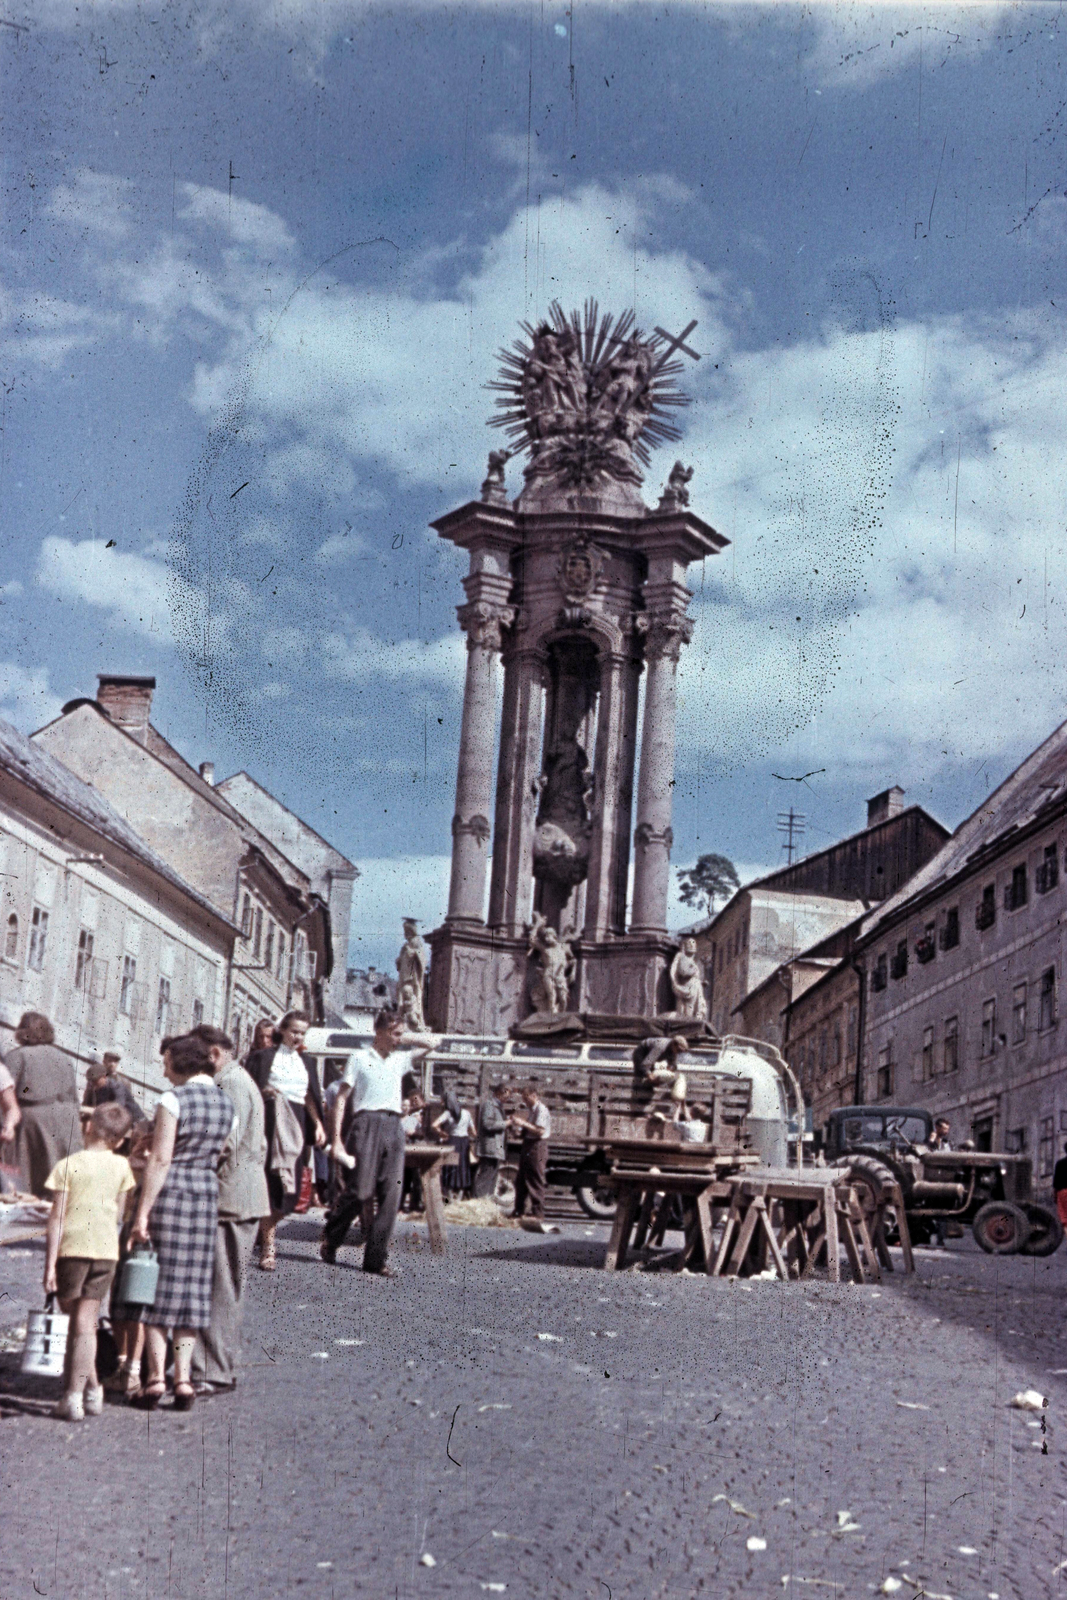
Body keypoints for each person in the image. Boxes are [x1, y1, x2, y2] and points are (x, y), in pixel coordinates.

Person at [128, 1033, 237, 1411]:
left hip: (172, 1192)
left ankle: (157, 1378)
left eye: (166, 1061)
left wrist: (141, 1213)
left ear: (182, 1062)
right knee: (191, 1289)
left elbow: (160, 1160)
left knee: (159, 1286)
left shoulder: (173, 1099)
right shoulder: (227, 1104)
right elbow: (222, 1150)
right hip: (205, 1194)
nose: (163, 1068)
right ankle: (185, 1380)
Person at [320, 1007, 436, 1274]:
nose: (398, 1039)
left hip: (394, 1125)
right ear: (379, 1031)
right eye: (394, 1033)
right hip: (366, 1123)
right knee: (360, 1190)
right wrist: (336, 1139)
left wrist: (402, 1037)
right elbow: (341, 1099)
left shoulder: (400, 1059)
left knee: (391, 1195)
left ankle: (375, 1259)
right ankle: (332, 1235)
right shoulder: (359, 1058)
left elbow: (432, 1043)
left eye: (401, 1034)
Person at [189, 1025, 270, 1397]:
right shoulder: (241, 1080)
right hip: (242, 1194)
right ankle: (221, 1364)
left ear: (214, 1055)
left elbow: (226, 1141)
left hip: (232, 1196)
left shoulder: (231, 1084)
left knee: (220, 1285)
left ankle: (212, 1370)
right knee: (227, 1284)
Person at [42, 1101, 136, 1421]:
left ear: (87, 1127)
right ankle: (92, 1389)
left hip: (72, 1249)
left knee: (75, 1320)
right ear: (121, 1140)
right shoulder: (123, 1168)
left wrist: (49, 1265)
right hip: (106, 1251)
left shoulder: (68, 1165)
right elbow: (121, 1213)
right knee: (86, 1324)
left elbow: (55, 1219)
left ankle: (73, 1396)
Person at [245, 1011, 327, 1271]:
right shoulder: (262, 1057)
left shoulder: (308, 1062)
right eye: (294, 1031)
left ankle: (265, 1227)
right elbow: (248, 1090)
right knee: (271, 1183)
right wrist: (264, 1092)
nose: (298, 1036)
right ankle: (269, 1246)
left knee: (291, 1189)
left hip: (298, 1122)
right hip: (269, 1122)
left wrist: (318, 1124)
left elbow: (310, 1096)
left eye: (302, 1032)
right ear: (282, 1031)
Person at [6, 1012, 83, 1196]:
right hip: (68, 1120)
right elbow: (74, 1098)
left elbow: (6, 1093)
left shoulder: (17, 1056)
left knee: (28, 1177)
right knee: (62, 1177)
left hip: (35, 1121)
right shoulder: (65, 1059)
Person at [106, 1120, 154, 1401]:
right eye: (137, 1139)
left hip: (142, 1238)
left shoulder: (155, 1169)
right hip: (123, 1235)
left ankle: (133, 1368)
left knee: (137, 1302)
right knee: (119, 1305)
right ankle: (123, 1364)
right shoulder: (125, 1165)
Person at [509, 1084, 551, 1222]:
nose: (524, 1101)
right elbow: (530, 1129)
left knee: (535, 1178)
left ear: (534, 1096)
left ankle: (538, 1213)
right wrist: (518, 1131)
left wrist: (522, 1123)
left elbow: (540, 1131)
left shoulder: (541, 1110)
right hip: (529, 1145)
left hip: (537, 1146)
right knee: (521, 1179)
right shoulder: (533, 1110)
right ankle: (518, 1210)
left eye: (526, 1098)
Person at [432, 1092, 475, 1200]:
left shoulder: (448, 1113)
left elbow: (434, 1125)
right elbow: (473, 1132)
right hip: (464, 1143)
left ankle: (449, 1197)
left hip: (452, 1142)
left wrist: (441, 1133)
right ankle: (459, 1198)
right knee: (462, 1169)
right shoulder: (467, 1113)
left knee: (450, 1168)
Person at [81, 1054, 146, 1124]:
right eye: (91, 1082)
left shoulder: (118, 1086)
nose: (93, 1085)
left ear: (104, 1077)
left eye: (95, 1082)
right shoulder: (94, 1083)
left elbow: (118, 1108)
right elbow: (87, 1103)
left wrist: (94, 1111)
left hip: (134, 1122)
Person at [474, 1083, 509, 1200]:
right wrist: (506, 1124)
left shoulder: (498, 1106)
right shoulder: (489, 1105)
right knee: (485, 1178)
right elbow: (487, 1124)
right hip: (489, 1148)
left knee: (491, 1178)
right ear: (500, 1093)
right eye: (506, 1096)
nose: (507, 1099)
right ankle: (479, 1203)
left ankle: (485, 1204)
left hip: (495, 1149)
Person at [926, 1117, 952, 1247]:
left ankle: (940, 1237)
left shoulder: (947, 1143)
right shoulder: (929, 1141)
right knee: (929, 1210)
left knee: (943, 1211)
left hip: (944, 1180)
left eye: (947, 1129)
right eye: (944, 1128)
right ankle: (930, 1232)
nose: (946, 1131)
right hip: (931, 1180)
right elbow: (928, 1151)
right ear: (937, 1128)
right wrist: (932, 1139)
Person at [1054, 1142, 1067, 1229]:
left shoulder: (1060, 1163)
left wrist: (1055, 1196)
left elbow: (1056, 1182)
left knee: (1065, 1218)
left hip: (1062, 1192)